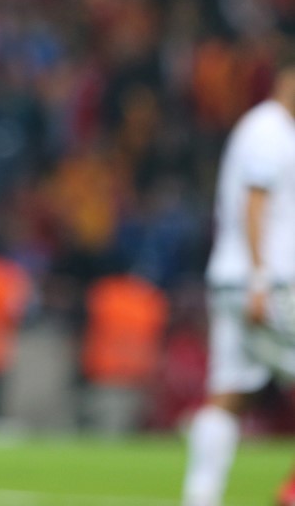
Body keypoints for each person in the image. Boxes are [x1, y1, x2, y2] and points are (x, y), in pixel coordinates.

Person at [181, 42, 295, 506]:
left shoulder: (262, 128)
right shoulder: (271, 131)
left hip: (232, 280)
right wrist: (261, 279)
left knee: (229, 393)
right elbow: (255, 203)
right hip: (265, 283)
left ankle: (200, 496)